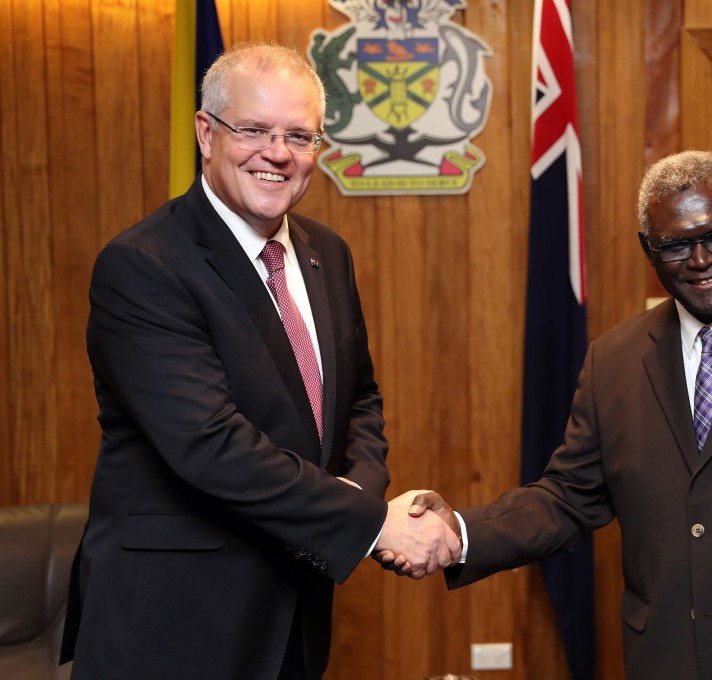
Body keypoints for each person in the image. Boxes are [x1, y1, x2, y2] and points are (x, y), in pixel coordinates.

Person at [394, 151, 712, 679]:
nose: (699, 259)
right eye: (674, 244)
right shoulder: (615, 361)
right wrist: (463, 533)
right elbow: (567, 499)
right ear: (649, 250)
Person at [60, 43, 460, 680]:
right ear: (206, 133)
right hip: (172, 621)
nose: (277, 153)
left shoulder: (327, 251)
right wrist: (370, 524)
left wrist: (361, 493)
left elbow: (358, 401)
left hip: (295, 610)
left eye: (299, 136)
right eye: (253, 130)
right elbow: (209, 443)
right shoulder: (143, 265)